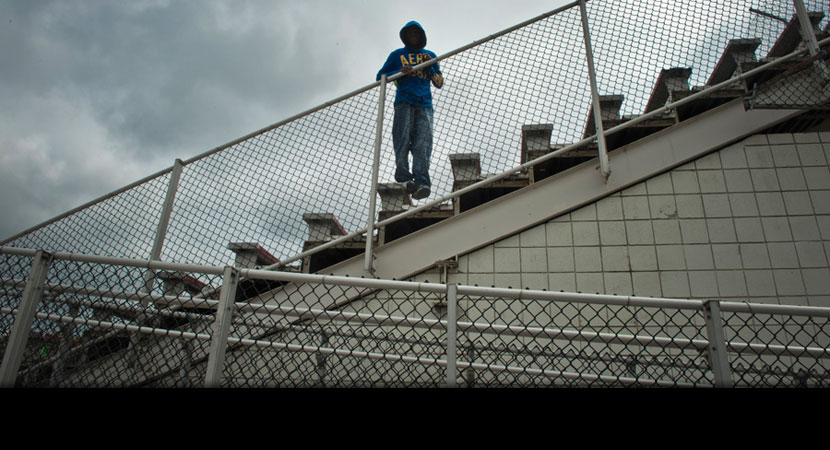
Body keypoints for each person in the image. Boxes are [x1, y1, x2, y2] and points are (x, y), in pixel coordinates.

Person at [376, 21, 444, 200]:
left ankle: (422, 181)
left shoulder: (430, 55)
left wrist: (429, 66)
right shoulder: (397, 55)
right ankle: (404, 178)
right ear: (405, 36)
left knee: (423, 143)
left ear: (421, 36)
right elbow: (380, 77)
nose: (413, 35)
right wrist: (400, 71)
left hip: (425, 104)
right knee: (402, 139)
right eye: (410, 33)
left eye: (416, 32)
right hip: (404, 102)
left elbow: (439, 83)